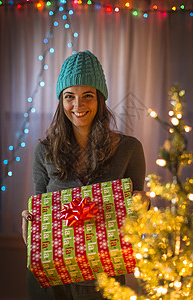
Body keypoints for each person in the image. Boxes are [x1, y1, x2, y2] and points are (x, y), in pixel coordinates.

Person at [22, 50, 150, 300]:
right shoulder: (44, 150)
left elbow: (135, 214)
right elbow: (39, 207)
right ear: (61, 101)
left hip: (103, 280)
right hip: (50, 281)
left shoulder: (129, 149)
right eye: (69, 97)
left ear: (100, 99)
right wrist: (28, 220)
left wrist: (142, 204)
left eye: (87, 96)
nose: (78, 106)